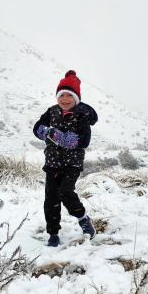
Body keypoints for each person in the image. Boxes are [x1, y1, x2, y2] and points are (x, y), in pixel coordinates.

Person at [33, 70, 98, 247]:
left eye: (70, 95)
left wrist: (62, 138)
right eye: (62, 95)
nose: (65, 99)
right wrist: (46, 133)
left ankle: (83, 219)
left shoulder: (81, 115)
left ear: (76, 98)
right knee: (51, 199)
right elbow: (37, 127)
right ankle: (53, 234)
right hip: (52, 163)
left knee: (66, 193)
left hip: (72, 164)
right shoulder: (52, 111)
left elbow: (84, 141)